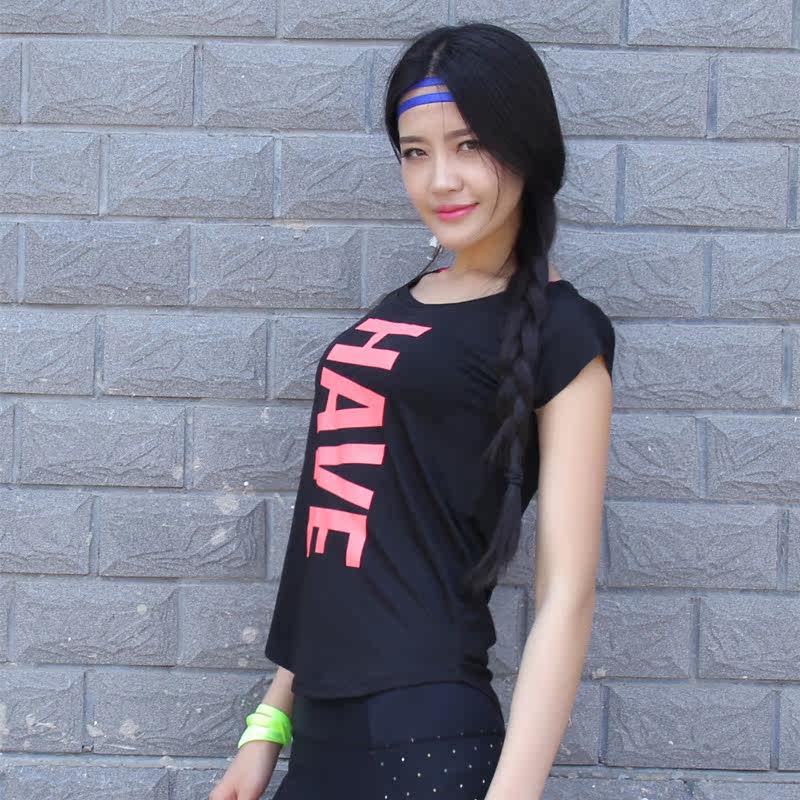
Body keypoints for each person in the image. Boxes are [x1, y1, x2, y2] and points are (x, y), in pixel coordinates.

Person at [209, 21, 615, 800]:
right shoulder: (402, 306)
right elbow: (340, 527)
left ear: (526, 146)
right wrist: (269, 722)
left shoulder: (565, 333)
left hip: (422, 742)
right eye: (415, 152)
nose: (440, 180)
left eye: (469, 145)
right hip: (320, 737)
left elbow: (568, 594)